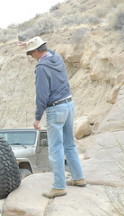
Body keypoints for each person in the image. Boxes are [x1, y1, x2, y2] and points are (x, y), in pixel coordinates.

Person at [24, 36, 86, 199]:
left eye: (31, 53)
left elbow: (42, 95)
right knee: (69, 144)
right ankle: (78, 177)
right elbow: (47, 50)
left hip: (56, 109)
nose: (32, 57)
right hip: (69, 104)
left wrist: (37, 118)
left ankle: (59, 186)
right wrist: (29, 44)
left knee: (55, 148)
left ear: (37, 51)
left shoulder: (42, 67)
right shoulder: (56, 57)